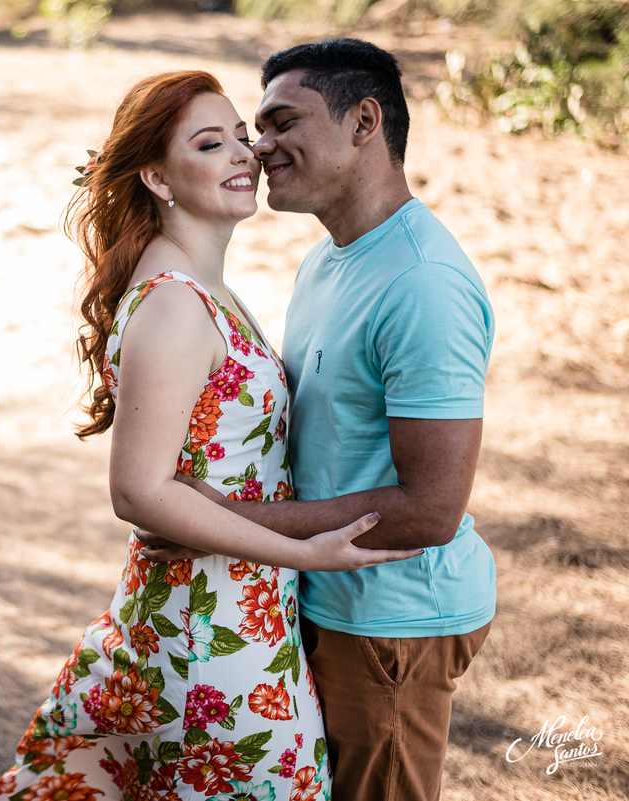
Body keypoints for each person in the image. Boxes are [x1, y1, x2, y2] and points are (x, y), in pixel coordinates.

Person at [0, 70, 418, 801]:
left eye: (242, 137)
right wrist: (305, 550)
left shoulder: (206, 286)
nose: (245, 154)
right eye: (211, 144)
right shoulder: (175, 304)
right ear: (157, 177)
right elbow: (137, 490)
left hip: (230, 614)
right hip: (208, 635)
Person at [137, 40, 497, 801]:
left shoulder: (424, 283)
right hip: (316, 597)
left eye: (281, 122)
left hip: (391, 620)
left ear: (364, 122)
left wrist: (221, 521)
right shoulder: (328, 259)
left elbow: (432, 509)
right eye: (254, 128)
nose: (259, 146)